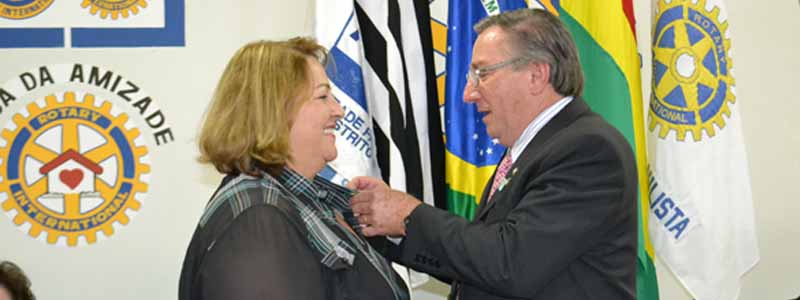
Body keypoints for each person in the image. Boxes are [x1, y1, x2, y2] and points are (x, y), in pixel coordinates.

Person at [349, 9, 637, 300]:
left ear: (536, 75)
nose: (467, 93)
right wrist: (391, 227)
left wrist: (409, 216)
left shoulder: (588, 150)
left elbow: (511, 264)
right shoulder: (533, 149)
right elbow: (480, 264)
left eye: (482, 73)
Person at [178, 38, 409, 300]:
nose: (338, 110)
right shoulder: (258, 220)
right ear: (276, 110)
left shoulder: (305, 201)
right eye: (323, 96)